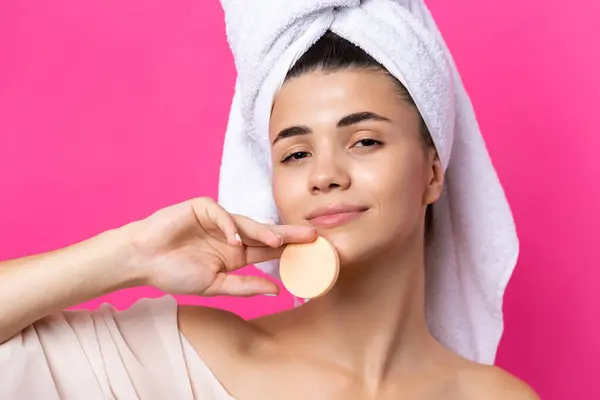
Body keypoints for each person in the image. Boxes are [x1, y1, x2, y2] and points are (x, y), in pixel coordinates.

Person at [0, 5, 539, 400]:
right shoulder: (182, 359)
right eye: (296, 153)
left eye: (365, 140)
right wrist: (133, 254)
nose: (325, 175)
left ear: (432, 172)